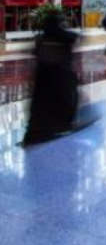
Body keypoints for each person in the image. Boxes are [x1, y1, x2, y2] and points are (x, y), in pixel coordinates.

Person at [23, 11, 80, 145]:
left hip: (42, 78)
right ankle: (64, 124)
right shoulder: (66, 36)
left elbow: (35, 53)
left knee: (39, 104)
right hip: (61, 77)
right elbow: (76, 38)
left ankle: (35, 129)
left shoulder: (40, 38)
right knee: (68, 99)